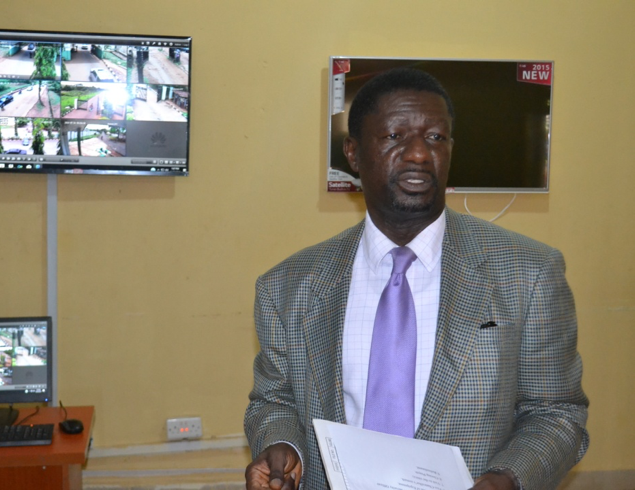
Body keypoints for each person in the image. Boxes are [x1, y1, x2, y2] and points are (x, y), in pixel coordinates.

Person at [244, 67, 588, 490]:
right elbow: (274, 400)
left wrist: (506, 479)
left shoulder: (529, 273)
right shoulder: (288, 286)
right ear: (352, 153)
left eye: (435, 138)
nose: (420, 155)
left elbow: (557, 413)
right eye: (394, 137)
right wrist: (283, 446)